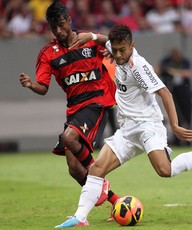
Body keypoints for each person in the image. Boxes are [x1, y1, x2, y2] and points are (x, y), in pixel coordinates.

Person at [54, 24, 192, 228]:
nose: (117, 54)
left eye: (121, 50)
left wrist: (175, 126)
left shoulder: (139, 67)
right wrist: (90, 35)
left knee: (164, 170)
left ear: (132, 45)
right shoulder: (116, 47)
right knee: (96, 169)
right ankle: (80, 217)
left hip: (147, 125)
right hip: (126, 129)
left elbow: (166, 94)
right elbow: (102, 39)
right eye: (114, 50)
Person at [19, 0, 119, 220]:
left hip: (97, 102)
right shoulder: (48, 53)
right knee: (74, 168)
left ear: (69, 20)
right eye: (53, 27)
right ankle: (116, 201)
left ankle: (99, 181)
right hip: (74, 109)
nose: (58, 31)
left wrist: (97, 38)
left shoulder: (88, 40)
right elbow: (43, 87)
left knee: (69, 137)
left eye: (62, 24)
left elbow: (118, 45)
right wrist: (31, 85)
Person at [159, 48, 192, 146]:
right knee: (176, 117)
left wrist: (173, 71)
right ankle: (177, 140)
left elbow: (187, 73)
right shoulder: (166, 61)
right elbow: (159, 70)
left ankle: (189, 140)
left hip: (185, 92)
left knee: (188, 116)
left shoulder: (185, 62)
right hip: (173, 92)